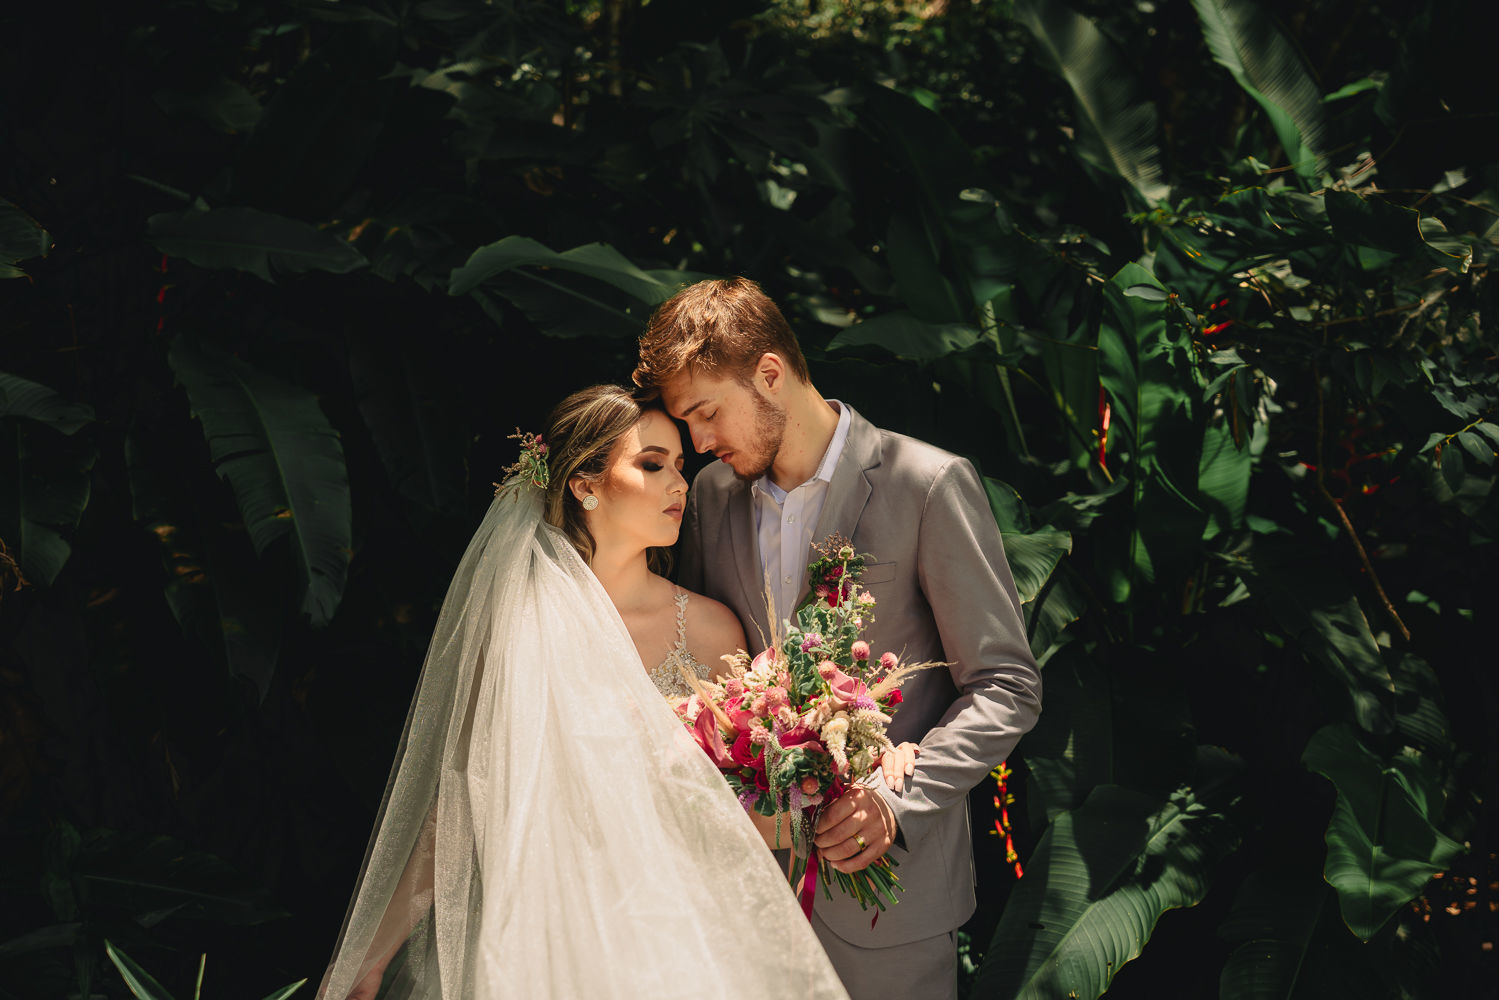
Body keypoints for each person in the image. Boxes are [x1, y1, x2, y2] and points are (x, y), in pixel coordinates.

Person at [317, 385, 858, 1000]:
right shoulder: (522, 622)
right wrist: (372, 955)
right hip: (548, 933)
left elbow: (744, 817)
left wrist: (814, 777)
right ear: (585, 484)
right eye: (652, 464)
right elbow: (462, 800)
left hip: (682, 933)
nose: (679, 484)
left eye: (682, 466)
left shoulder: (709, 629)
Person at [635, 278, 1044, 1000]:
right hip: (745, 891)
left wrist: (898, 799)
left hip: (889, 898)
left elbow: (1005, 685)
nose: (697, 443)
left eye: (706, 414)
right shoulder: (709, 497)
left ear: (769, 374)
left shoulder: (926, 482)